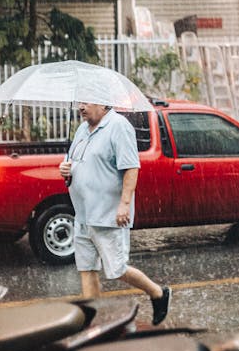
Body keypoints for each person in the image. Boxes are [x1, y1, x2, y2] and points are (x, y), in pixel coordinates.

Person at [59, 101, 171, 325]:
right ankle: (94, 321)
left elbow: (131, 167)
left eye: (86, 102)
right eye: (79, 102)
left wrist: (124, 204)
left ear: (102, 101)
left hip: (108, 214)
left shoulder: (118, 126)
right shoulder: (82, 129)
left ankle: (158, 292)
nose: (80, 107)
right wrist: (65, 170)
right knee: (86, 268)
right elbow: (76, 163)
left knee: (117, 269)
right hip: (82, 214)